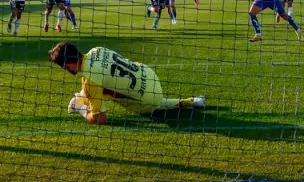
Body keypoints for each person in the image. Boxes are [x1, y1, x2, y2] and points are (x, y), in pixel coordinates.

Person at [48, 41, 205, 125]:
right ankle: (193, 101)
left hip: (148, 99)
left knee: (155, 102)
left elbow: (101, 120)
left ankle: (79, 103)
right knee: (103, 86)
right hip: (149, 74)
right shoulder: (97, 50)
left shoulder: (90, 80)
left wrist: (81, 109)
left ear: (67, 65)